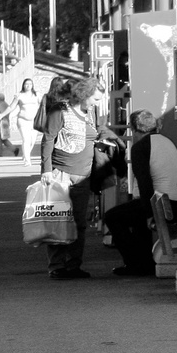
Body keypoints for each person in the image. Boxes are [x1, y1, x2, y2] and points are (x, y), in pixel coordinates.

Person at [39, 76, 106, 280]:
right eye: (95, 99)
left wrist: (105, 138)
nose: (96, 103)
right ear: (84, 95)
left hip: (83, 175)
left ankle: (74, 265)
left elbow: (94, 134)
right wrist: (46, 169)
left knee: (79, 222)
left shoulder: (89, 113)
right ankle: (57, 266)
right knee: (59, 220)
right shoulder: (60, 110)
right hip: (62, 173)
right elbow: (48, 138)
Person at [102, 109, 177, 277]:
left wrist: (150, 212)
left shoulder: (140, 148)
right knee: (137, 214)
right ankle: (144, 263)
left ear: (134, 128)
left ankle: (134, 263)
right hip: (176, 202)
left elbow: (145, 184)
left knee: (112, 217)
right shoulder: (167, 141)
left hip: (163, 204)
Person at [1, 78, 42, 166]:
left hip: (34, 121)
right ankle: (27, 161)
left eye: (30, 84)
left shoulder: (37, 95)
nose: (28, 86)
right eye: (26, 84)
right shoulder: (19, 95)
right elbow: (11, 107)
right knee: (26, 140)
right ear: (23, 85)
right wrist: (2, 115)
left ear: (32, 85)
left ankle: (25, 154)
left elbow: (42, 105)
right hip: (23, 120)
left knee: (32, 141)